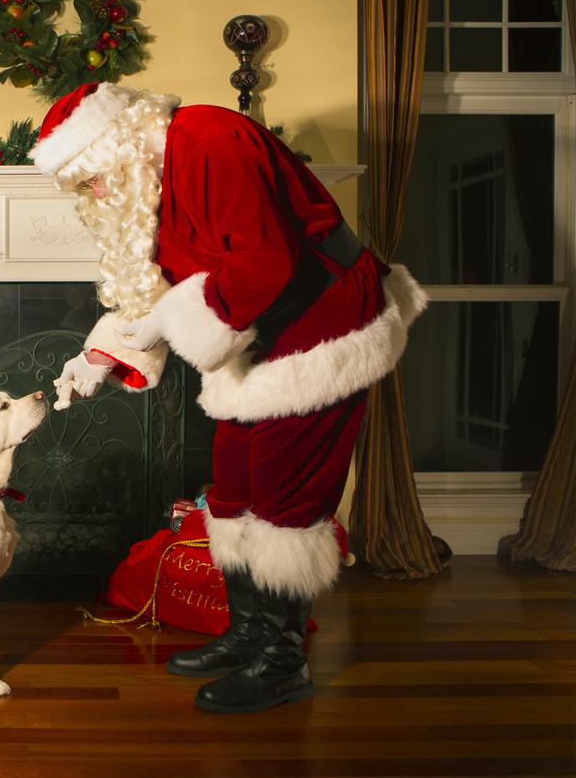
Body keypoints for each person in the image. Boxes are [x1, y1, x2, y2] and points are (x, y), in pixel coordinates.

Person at [32, 83, 426, 714]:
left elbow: (265, 263)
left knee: (285, 498)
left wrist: (170, 321)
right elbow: (158, 286)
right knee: (235, 486)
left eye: (93, 178)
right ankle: (246, 635)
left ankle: (281, 659)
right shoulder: (148, 178)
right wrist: (102, 355)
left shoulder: (212, 141)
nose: (94, 195)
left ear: (121, 143)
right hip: (260, 330)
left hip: (320, 322)